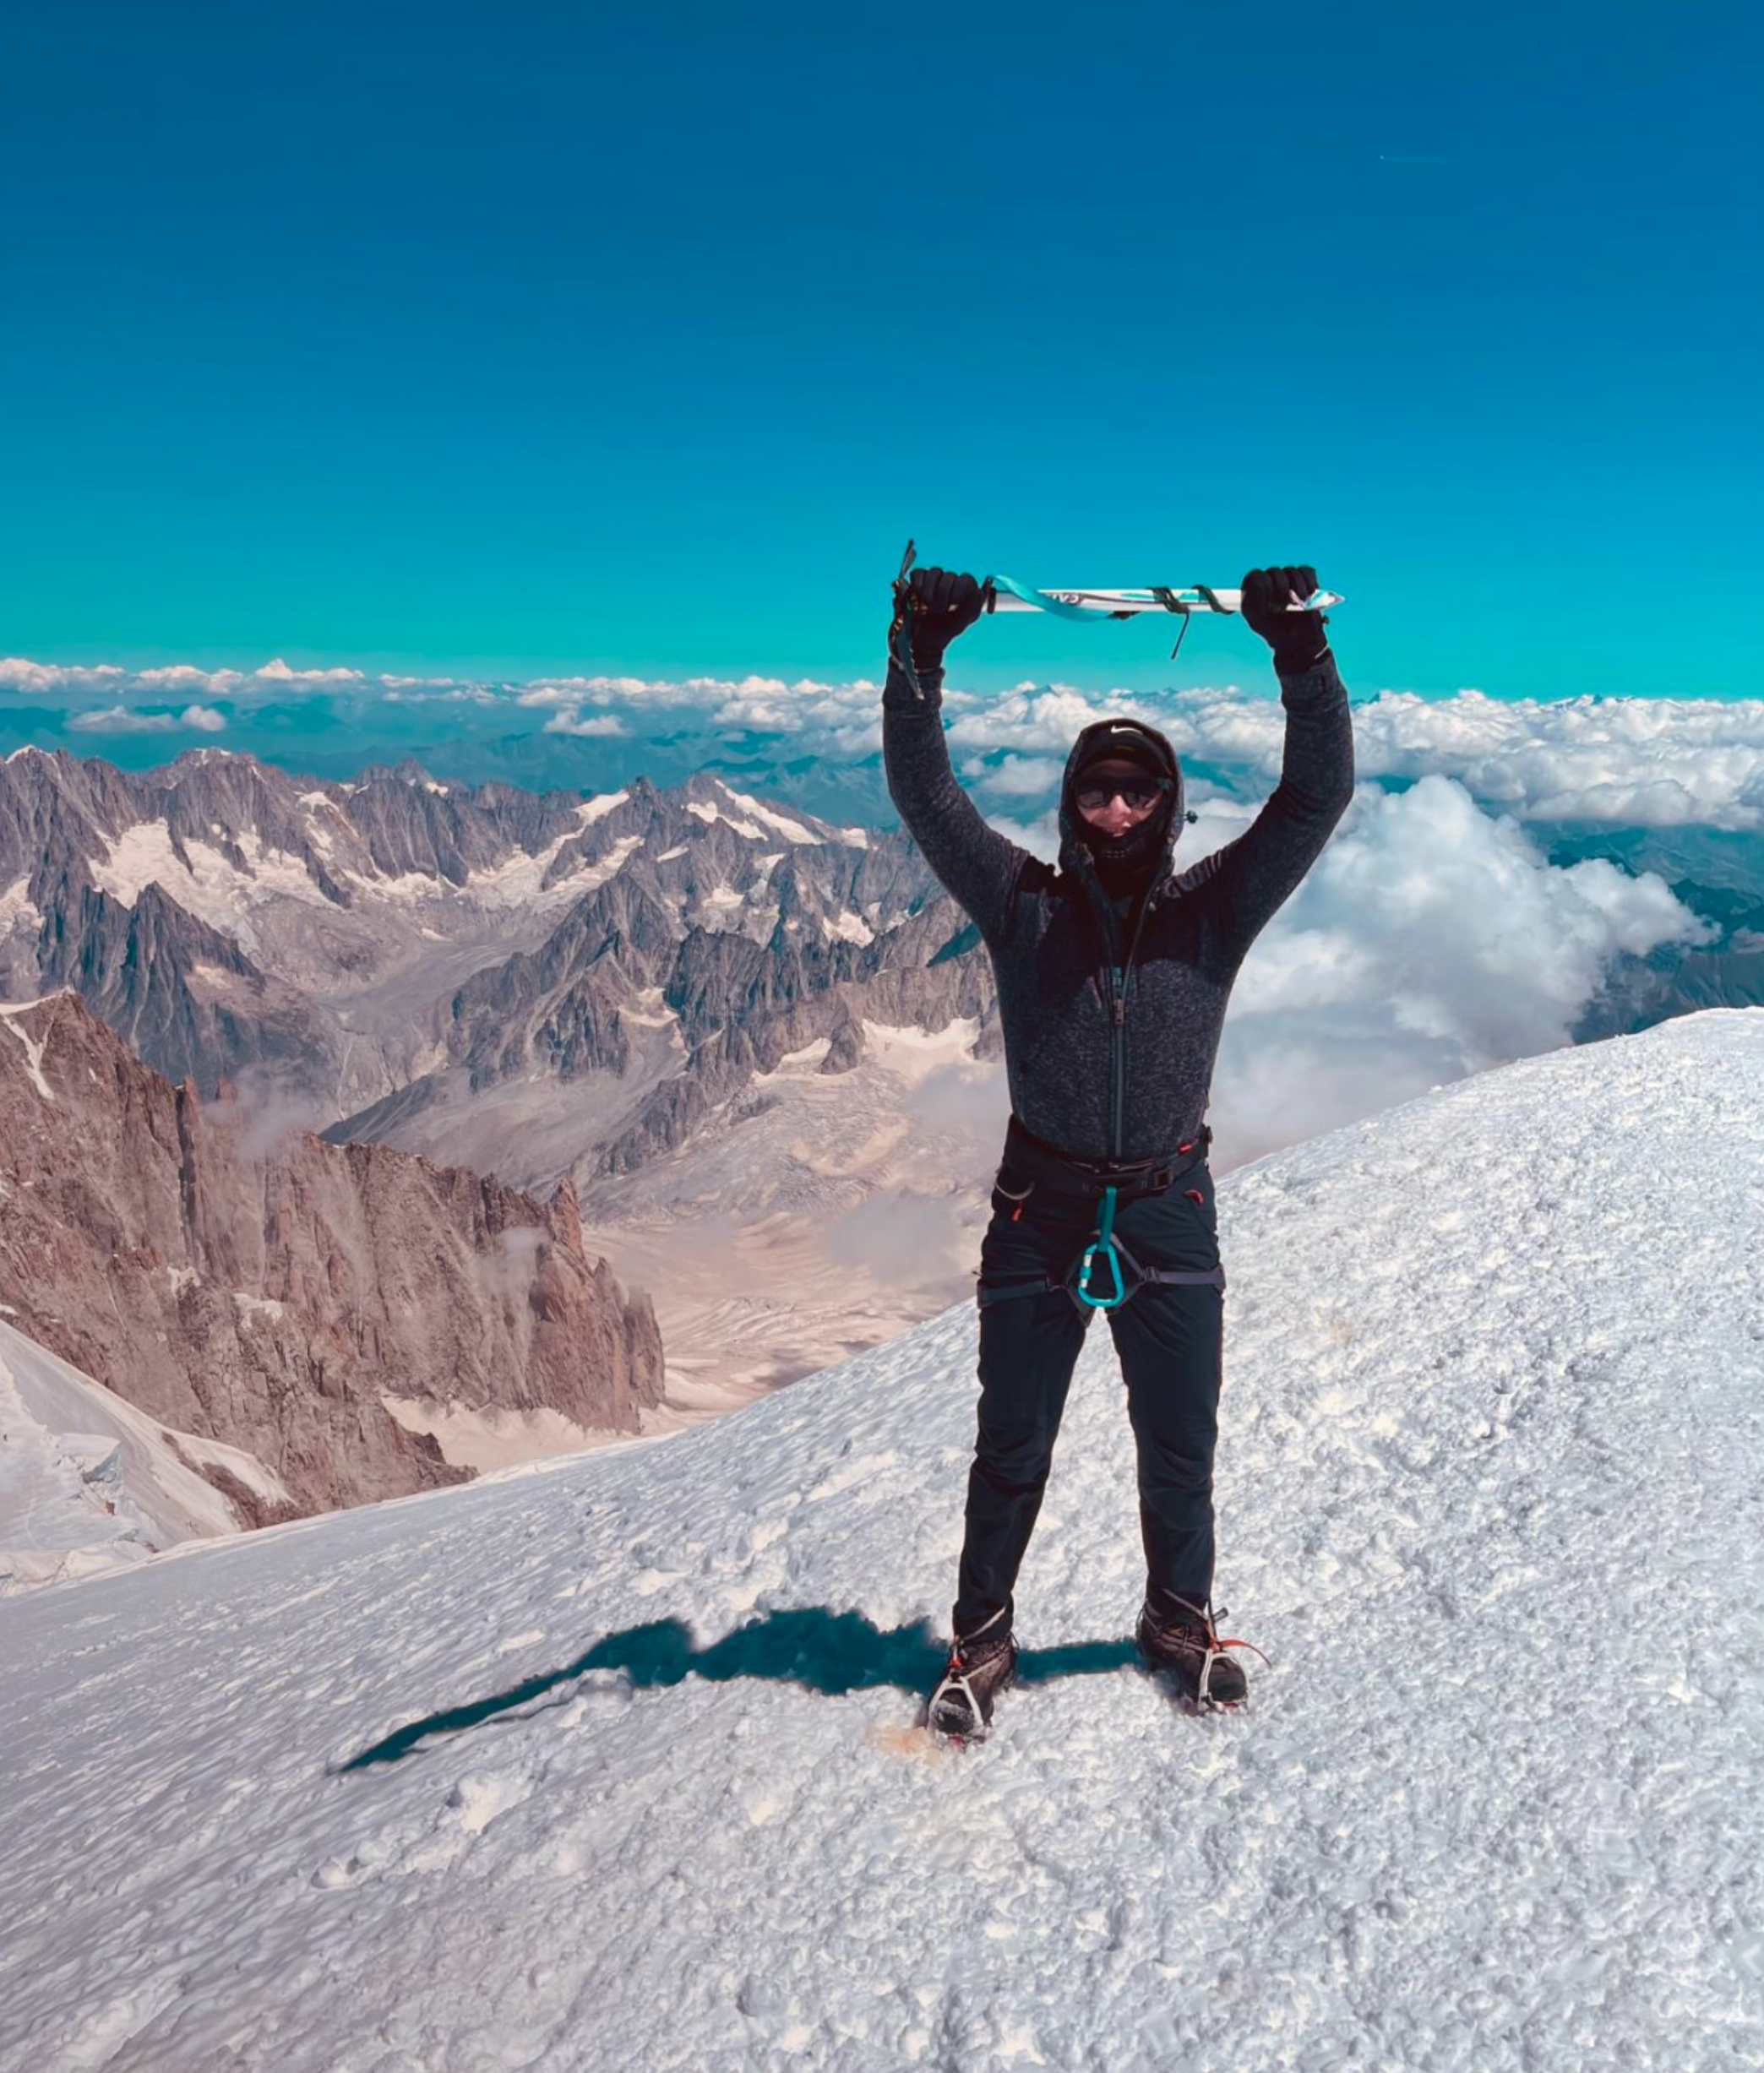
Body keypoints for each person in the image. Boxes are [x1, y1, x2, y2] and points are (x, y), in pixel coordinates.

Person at [881, 562, 1356, 1735]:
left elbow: (1314, 799)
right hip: (1042, 1205)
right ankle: (981, 1640)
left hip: (1165, 1204)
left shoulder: (1214, 911)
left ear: (1172, 802)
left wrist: (1302, 657)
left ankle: (1178, 1621)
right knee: (1013, 1443)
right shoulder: (1021, 904)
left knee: (1179, 1441)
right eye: (1097, 791)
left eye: (1140, 791)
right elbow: (926, 794)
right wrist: (915, 659)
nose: (1118, 811)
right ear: (1069, 804)